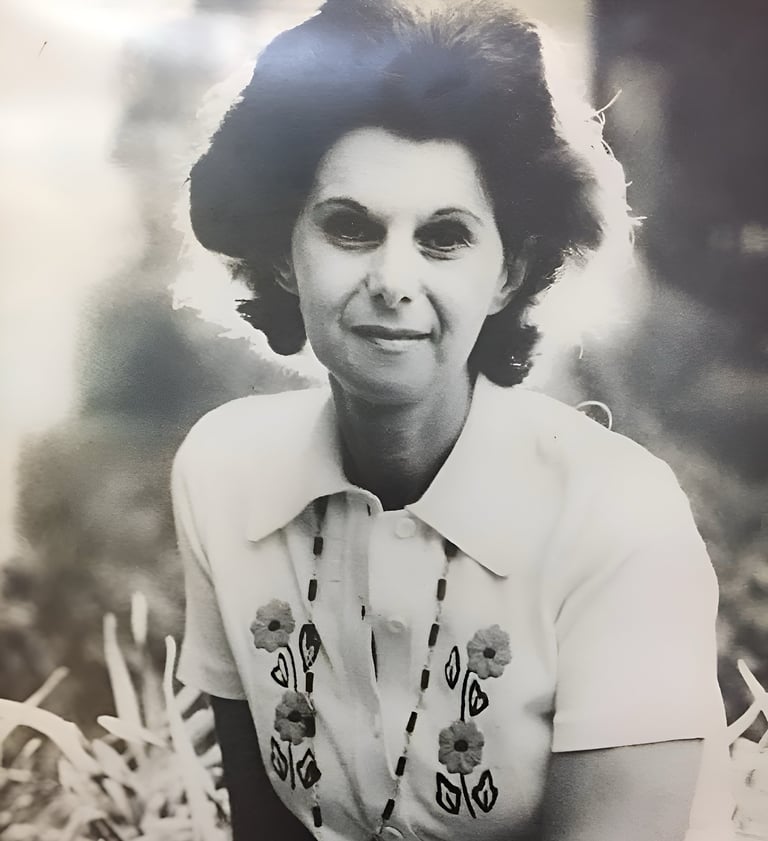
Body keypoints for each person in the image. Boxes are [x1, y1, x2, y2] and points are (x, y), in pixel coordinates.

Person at [173, 1, 732, 839]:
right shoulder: (222, 474)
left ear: (509, 273)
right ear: (281, 252)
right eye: (350, 228)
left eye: (444, 237)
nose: (394, 282)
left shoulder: (617, 515)